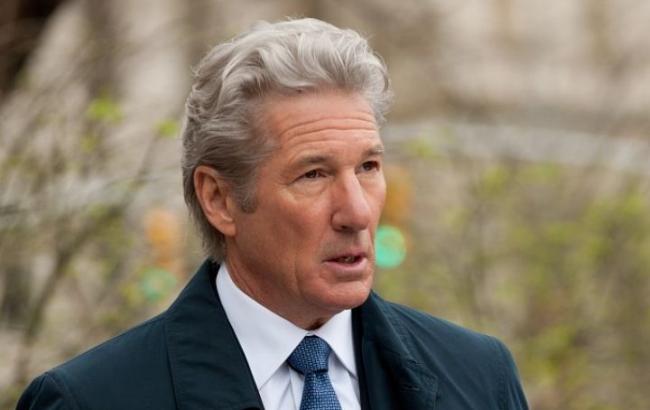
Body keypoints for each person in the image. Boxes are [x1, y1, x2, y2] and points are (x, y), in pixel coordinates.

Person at [17, 18, 528, 409]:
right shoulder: (89, 399)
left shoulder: (479, 377)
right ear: (219, 199)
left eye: (368, 167)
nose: (356, 211)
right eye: (314, 174)